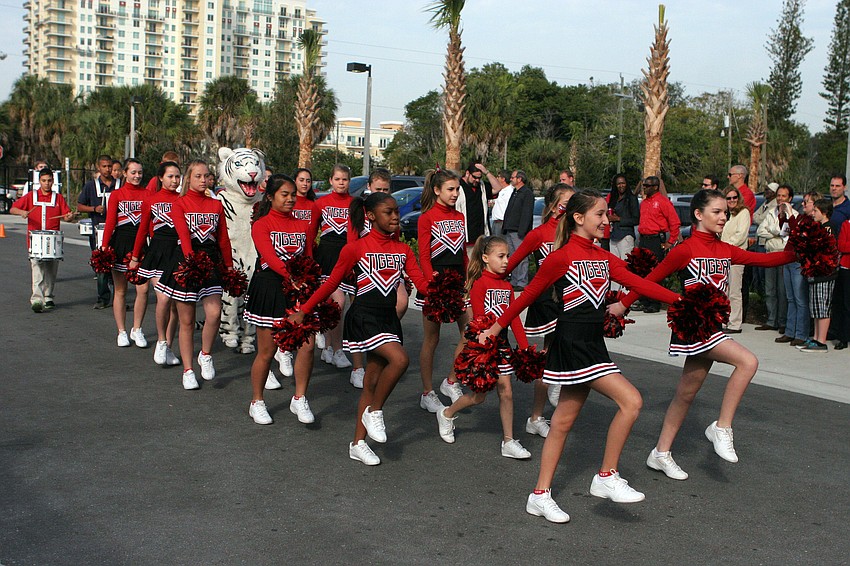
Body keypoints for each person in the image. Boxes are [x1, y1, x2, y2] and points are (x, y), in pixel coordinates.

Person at [480, 190, 681, 523]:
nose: (605, 220)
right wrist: (496, 326)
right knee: (631, 401)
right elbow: (527, 295)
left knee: (561, 423)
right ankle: (606, 476)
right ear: (578, 218)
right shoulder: (560, 257)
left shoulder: (602, 256)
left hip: (593, 343)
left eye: (606, 214)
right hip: (572, 344)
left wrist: (681, 301)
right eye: (599, 214)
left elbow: (638, 283)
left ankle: (539, 495)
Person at [612, 189, 796, 481]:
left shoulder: (727, 250)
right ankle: (721, 427)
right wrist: (623, 304)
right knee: (747, 362)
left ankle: (660, 453)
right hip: (694, 327)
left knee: (685, 394)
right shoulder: (685, 250)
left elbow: (766, 260)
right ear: (698, 214)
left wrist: (800, 250)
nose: (723, 217)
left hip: (714, 327)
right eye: (717, 212)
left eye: (726, 212)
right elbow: (650, 280)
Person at [292, 191, 430, 466]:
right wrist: (304, 309)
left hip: (388, 319)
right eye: (388, 212)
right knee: (400, 360)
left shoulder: (402, 250)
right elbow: (332, 283)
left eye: (396, 211)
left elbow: (421, 284)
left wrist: (446, 292)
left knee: (372, 382)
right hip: (364, 317)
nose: (395, 216)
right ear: (370, 216)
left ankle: (358, 443)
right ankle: (375, 411)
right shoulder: (355, 248)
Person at [435, 235, 533, 458]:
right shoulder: (480, 284)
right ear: (486, 258)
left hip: (503, 345)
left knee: (506, 391)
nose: (506, 261)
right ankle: (447, 413)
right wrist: (482, 349)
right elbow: (479, 319)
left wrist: (525, 348)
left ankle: (508, 441)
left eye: (507, 256)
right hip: (484, 348)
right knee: (478, 397)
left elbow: (514, 319)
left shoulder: (507, 286)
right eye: (501, 256)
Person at [243, 175, 315, 425]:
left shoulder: (303, 225)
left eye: (293, 194)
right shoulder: (261, 224)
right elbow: (269, 257)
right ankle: (257, 401)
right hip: (270, 288)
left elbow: (309, 257)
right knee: (267, 350)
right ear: (271, 197)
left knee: (308, 345)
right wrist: (290, 276)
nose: (291, 199)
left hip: (297, 289)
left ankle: (300, 397)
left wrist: (309, 282)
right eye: (285, 194)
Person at [155, 160, 233, 390]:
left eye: (206, 176)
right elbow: (184, 236)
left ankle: (205, 354)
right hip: (187, 261)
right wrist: (192, 263)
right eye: (198, 176)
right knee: (187, 320)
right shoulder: (180, 204)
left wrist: (228, 266)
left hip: (211, 259)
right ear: (189, 178)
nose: (203, 180)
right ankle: (188, 370)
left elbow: (223, 239)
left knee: (214, 312)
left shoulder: (216, 205)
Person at [502, 183, 574, 419]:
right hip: (546, 298)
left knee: (558, 348)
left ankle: (539, 412)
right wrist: (490, 280)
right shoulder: (538, 234)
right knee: (551, 350)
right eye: (568, 203)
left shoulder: (574, 234)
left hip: (568, 296)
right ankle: (541, 407)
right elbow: (512, 262)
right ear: (554, 207)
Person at [345, 168, 407, 389]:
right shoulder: (362, 212)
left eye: (386, 189)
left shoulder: (390, 215)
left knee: (402, 302)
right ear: (369, 187)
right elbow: (351, 242)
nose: (382, 192)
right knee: (359, 309)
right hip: (363, 270)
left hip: (386, 271)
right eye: (378, 188)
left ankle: (380, 342)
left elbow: (395, 243)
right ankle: (357, 366)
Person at [416, 169, 470, 413]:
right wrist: (432, 285)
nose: (455, 193)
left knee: (470, 332)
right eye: (450, 189)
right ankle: (427, 392)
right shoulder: (426, 218)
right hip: (436, 283)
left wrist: (468, 280)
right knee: (432, 339)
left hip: (457, 282)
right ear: (437, 190)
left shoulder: (459, 216)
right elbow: (424, 256)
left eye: (457, 189)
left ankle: (451, 380)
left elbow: (463, 253)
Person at [128, 161, 183, 367]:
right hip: (158, 253)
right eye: (170, 176)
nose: (174, 180)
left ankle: (168, 346)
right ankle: (161, 341)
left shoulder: (183, 199)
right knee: (164, 299)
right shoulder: (151, 200)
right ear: (160, 178)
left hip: (177, 253)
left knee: (176, 305)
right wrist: (135, 257)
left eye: (177, 176)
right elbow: (143, 230)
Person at [98, 158, 152, 348]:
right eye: (133, 172)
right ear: (125, 173)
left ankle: (137, 329)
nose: (137, 176)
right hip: (120, 243)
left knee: (143, 289)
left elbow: (150, 224)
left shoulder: (148, 194)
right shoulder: (116, 195)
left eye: (140, 172)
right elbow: (110, 222)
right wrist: (104, 247)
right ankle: (121, 331)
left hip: (141, 244)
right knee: (120, 290)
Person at [10, 167, 74, 312]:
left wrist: (69, 217)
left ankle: (48, 296)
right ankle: (37, 299)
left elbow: (67, 215)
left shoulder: (58, 198)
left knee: (51, 268)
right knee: (37, 268)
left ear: (53, 181)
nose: (46, 183)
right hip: (35, 239)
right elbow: (13, 209)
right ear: (39, 181)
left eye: (49, 181)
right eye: (44, 181)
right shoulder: (31, 196)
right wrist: (22, 212)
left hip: (53, 239)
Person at [309, 164, 354, 370]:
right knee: (336, 303)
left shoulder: (355, 204)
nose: (341, 183)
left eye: (344, 179)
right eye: (337, 179)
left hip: (348, 256)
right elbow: (311, 235)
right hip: (326, 256)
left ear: (349, 181)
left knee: (337, 305)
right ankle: (337, 350)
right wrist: (310, 261)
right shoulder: (320, 203)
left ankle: (329, 347)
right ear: (330, 181)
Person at [77, 154, 118, 309]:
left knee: (118, 266)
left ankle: (118, 298)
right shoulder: (90, 186)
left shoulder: (119, 184)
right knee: (101, 266)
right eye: (104, 166)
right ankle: (103, 298)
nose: (107, 169)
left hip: (117, 231)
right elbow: (80, 206)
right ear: (98, 168)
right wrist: (94, 209)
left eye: (110, 166)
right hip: (99, 231)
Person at [636, 176, 680, 313]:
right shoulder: (644, 203)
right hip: (643, 239)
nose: (644, 188)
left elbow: (674, 222)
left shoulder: (662, 202)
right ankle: (644, 301)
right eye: (644, 185)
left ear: (655, 187)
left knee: (654, 272)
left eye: (647, 186)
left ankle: (654, 303)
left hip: (655, 240)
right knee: (642, 271)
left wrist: (670, 242)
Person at [800, 198, 838, 353]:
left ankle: (822, 340)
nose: (813, 213)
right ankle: (816, 337)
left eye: (816, 211)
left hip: (825, 274)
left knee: (823, 307)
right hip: (814, 273)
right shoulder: (817, 227)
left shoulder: (829, 228)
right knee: (815, 307)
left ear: (824, 212)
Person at [756, 185, 794, 334]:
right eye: (778, 195)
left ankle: (782, 322)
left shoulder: (793, 215)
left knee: (782, 291)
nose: (780, 199)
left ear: (790, 198)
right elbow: (760, 231)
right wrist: (777, 233)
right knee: (770, 290)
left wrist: (773, 232)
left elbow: (788, 235)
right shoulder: (771, 212)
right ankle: (771, 320)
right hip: (770, 253)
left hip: (784, 255)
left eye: (783, 196)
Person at [720, 187, 751, 334]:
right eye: (729, 198)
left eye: (734, 197)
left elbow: (741, 235)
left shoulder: (743, 213)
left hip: (736, 256)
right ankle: (724, 320)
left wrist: (724, 246)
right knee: (723, 290)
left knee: (734, 291)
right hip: (722, 256)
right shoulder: (725, 214)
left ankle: (735, 323)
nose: (732, 200)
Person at [456, 162, 501, 253]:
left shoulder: (482, 186)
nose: (477, 180)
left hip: (481, 236)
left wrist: (486, 172)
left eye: (479, 178)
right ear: (467, 173)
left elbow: (497, 188)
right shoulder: (458, 186)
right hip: (465, 236)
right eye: (474, 177)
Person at [501, 170, 535, 290]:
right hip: (510, 229)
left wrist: (522, 231)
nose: (511, 179)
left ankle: (522, 281)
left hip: (518, 231)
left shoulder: (527, 193)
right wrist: (505, 226)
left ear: (519, 179)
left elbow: (526, 213)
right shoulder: (515, 192)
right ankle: (514, 280)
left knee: (522, 257)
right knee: (513, 257)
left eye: (513, 177)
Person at [607, 174, 641, 290]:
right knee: (614, 267)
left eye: (623, 183)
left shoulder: (631, 199)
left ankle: (626, 294)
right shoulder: (613, 199)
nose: (621, 186)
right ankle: (614, 293)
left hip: (625, 235)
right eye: (618, 184)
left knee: (626, 266)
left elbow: (636, 219)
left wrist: (618, 219)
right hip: (614, 235)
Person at [488, 169, 513, 235]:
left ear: (503, 179)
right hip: (494, 222)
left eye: (498, 177)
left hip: (502, 223)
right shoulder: (499, 190)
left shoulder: (510, 191)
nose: (496, 178)